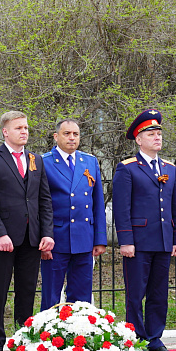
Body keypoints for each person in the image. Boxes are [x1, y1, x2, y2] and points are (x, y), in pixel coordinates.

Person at [0, 111, 54, 351]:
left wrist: (47, 233)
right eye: (19, 128)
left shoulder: (36, 160)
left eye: (26, 128)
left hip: (31, 238)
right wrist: (0, 233)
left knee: (26, 293)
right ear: (5, 132)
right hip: (4, 239)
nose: (24, 131)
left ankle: (23, 345)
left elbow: (43, 199)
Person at [112, 109, 176, 351]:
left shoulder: (170, 168)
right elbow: (121, 209)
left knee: (159, 293)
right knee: (135, 294)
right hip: (139, 242)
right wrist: (126, 241)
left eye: (159, 133)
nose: (157, 137)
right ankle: (136, 339)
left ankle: (155, 338)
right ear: (138, 139)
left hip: (163, 240)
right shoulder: (127, 168)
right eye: (151, 133)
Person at [40, 119, 107, 310]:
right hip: (56, 239)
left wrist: (99, 239)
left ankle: (79, 336)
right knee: (51, 295)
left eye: (75, 134)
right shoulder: (44, 162)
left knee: (81, 296)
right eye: (66, 133)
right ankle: (49, 337)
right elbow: (40, 205)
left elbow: (97, 202)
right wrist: (43, 238)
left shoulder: (90, 161)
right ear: (56, 136)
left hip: (83, 237)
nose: (71, 138)